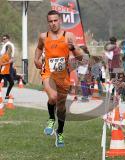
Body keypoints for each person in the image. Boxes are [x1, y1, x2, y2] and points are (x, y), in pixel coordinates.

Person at [34, 10, 83, 147]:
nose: (53, 24)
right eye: (50, 21)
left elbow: (79, 57)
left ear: (60, 20)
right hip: (47, 71)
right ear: (48, 22)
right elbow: (38, 48)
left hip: (63, 75)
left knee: (61, 108)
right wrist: (35, 59)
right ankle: (51, 118)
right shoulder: (44, 36)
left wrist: (73, 48)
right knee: (53, 97)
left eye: (55, 20)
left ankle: (59, 132)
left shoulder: (69, 36)